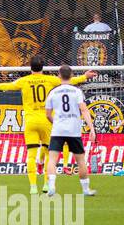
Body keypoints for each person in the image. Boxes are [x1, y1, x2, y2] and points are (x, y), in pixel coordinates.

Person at [0, 59, 95, 194]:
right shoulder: (49, 80)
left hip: (31, 121)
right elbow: (70, 81)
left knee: (31, 155)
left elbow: (7, 86)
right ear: (43, 67)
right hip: (46, 121)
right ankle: (46, 184)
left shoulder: (24, 81)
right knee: (49, 153)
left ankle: (32, 186)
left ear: (30, 68)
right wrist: (85, 76)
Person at [42, 66, 97, 198]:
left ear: (59, 76)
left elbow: (48, 114)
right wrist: (92, 128)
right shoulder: (76, 91)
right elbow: (84, 110)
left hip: (58, 129)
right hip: (73, 130)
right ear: (71, 75)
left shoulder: (53, 92)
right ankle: (85, 189)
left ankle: (51, 186)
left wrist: (55, 122)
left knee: (52, 159)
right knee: (80, 160)